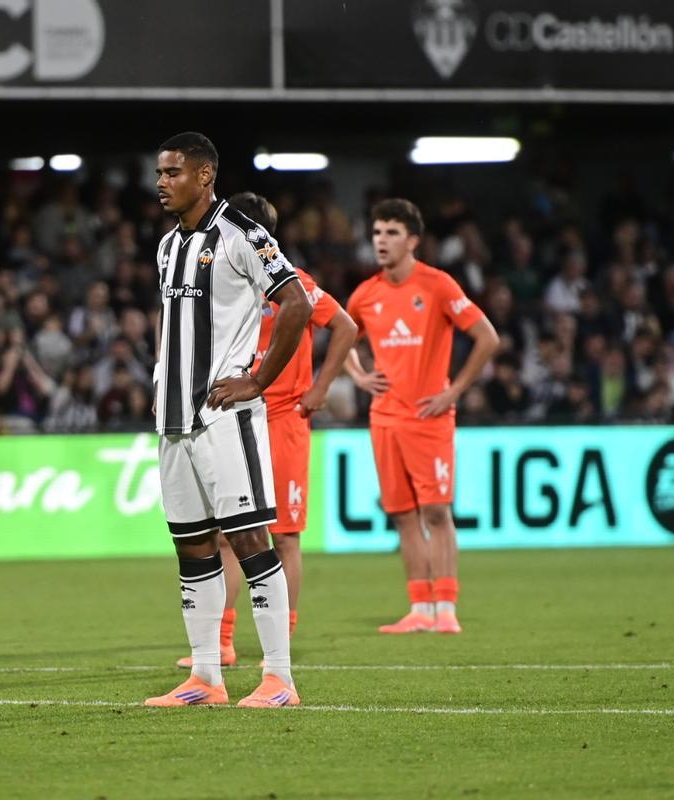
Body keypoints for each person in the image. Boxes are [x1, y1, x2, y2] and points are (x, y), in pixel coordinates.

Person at [146, 133, 311, 708]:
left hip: (224, 416)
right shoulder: (167, 246)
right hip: (174, 420)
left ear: (205, 175)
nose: (162, 182)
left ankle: (280, 679)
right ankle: (205, 678)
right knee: (193, 548)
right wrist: (161, 381)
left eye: (173, 172)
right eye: (160, 173)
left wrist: (258, 380)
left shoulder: (243, 234)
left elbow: (297, 302)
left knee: (249, 540)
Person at [175, 191, 357, 668]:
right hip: (233, 418)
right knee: (228, 534)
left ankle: (282, 643)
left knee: (285, 535)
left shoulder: (294, 283)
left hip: (283, 419)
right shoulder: (221, 282)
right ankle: (224, 641)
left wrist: (320, 388)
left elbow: (345, 326)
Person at [344, 199, 499, 635]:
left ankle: (445, 607)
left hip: (429, 417)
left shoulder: (437, 285)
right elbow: (341, 336)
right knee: (403, 515)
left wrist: (453, 390)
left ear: (412, 240)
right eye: (377, 232)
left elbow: (487, 337)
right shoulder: (366, 294)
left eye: (391, 233)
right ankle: (419, 607)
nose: (381, 241)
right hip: (385, 418)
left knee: (435, 511)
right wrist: (358, 375)